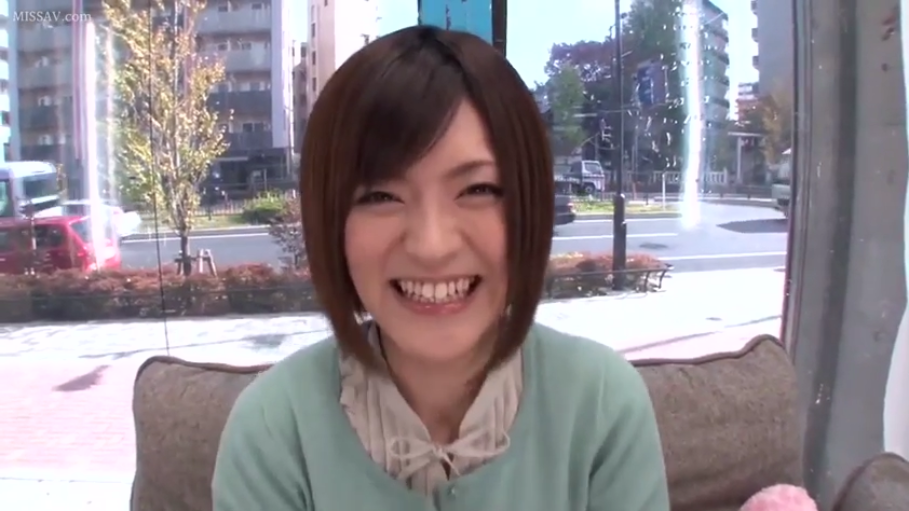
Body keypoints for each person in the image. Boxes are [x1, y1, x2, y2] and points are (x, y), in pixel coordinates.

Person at [212, 25, 669, 511]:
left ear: (529, 206)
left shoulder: (601, 408)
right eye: (380, 196)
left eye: (478, 190)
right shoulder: (274, 433)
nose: (431, 246)